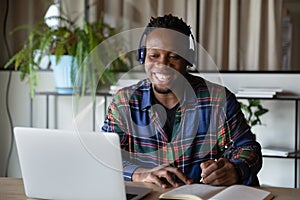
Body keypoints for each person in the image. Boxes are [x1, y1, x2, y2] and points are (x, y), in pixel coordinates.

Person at [102, 14, 262, 188]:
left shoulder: (217, 100)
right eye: (154, 55)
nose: (163, 65)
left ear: (188, 59)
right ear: (143, 57)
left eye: (174, 56)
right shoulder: (124, 103)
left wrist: (236, 170)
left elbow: (249, 149)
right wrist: (141, 174)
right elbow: (104, 156)